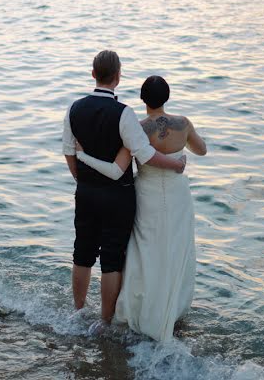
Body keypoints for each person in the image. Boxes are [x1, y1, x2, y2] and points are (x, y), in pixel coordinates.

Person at [74, 75, 207, 341]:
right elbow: (201, 150)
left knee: (145, 251)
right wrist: (180, 148)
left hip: (146, 195)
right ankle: (172, 309)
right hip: (179, 195)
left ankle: (142, 309)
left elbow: (123, 163)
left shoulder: (137, 127)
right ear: (167, 97)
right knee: (176, 249)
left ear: (143, 99)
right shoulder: (183, 123)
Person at [62, 51, 187, 327]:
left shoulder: (73, 109)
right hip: (118, 195)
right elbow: (145, 155)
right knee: (112, 258)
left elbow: (69, 153)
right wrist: (175, 164)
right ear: (118, 77)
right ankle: (105, 321)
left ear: (93, 74)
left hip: (85, 192)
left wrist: (83, 180)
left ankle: (78, 312)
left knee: (81, 253)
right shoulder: (124, 114)